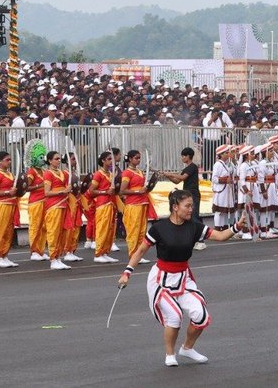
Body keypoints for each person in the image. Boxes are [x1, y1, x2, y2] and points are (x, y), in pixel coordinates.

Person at [118, 190, 236, 367]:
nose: (191, 209)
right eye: (187, 206)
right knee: (174, 316)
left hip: (183, 278)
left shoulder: (194, 227)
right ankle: (170, 354)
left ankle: (187, 349)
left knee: (201, 316)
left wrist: (236, 227)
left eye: (192, 205)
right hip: (161, 279)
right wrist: (126, 273)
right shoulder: (159, 228)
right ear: (175, 207)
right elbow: (141, 251)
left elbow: (220, 236)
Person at [121, 149, 156, 260]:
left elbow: (143, 188)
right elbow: (122, 190)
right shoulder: (127, 173)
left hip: (143, 203)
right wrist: (137, 191)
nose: (138, 160)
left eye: (139, 158)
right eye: (136, 158)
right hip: (133, 205)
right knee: (133, 231)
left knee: (142, 231)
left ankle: (139, 254)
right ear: (130, 159)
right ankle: (133, 255)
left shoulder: (140, 172)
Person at [0, 151, 19, 268]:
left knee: (8, 232)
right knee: (0, 231)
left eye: (10, 160)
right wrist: (7, 192)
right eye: (7, 160)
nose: (9, 162)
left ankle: (5, 255)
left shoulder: (10, 174)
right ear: (0, 161)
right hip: (1, 205)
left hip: (11, 205)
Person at [43, 150, 73, 270]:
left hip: (63, 205)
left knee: (62, 233)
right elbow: (47, 192)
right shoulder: (48, 174)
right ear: (50, 161)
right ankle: (53, 258)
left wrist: (68, 189)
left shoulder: (63, 173)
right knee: (53, 232)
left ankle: (58, 257)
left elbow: (66, 187)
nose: (59, 161)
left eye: (60, 159)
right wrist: (62, 191)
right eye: (56, 159)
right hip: (53, 206)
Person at [88, 150, 119, 262]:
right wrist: (105, 192)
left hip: (111, 204)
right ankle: (98, 254)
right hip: (102, 204)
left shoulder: (110, 174)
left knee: (110, 229)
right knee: (102, 229)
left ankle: (105, 252)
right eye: (109, 159)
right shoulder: (98, 174)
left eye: (112, 159)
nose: (111, 161)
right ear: (103, 161)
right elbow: (91, 191)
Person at [26, 151, 48, 262]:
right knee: (35, 226)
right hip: (35, 203)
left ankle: (41, 250)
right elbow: (26, 187)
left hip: (45, 202)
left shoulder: (44, 171)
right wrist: (40, 185)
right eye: (40, 156)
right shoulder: (31, 172)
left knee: (44, 227)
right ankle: (34, 251)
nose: (43, 158)